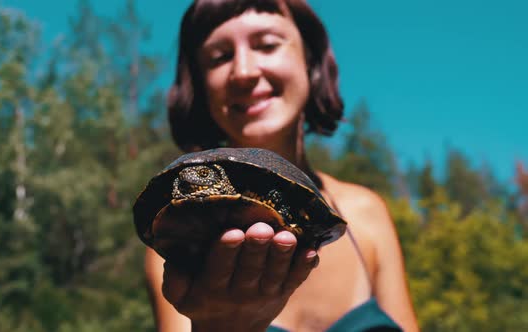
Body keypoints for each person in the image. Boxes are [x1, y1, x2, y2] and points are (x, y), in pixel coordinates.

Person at [144, 0, 419, 331]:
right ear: (199, 86)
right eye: (219, 57)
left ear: (310, 60)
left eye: (267, 45)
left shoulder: (365, 212)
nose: (244, 71)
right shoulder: (174, 243)